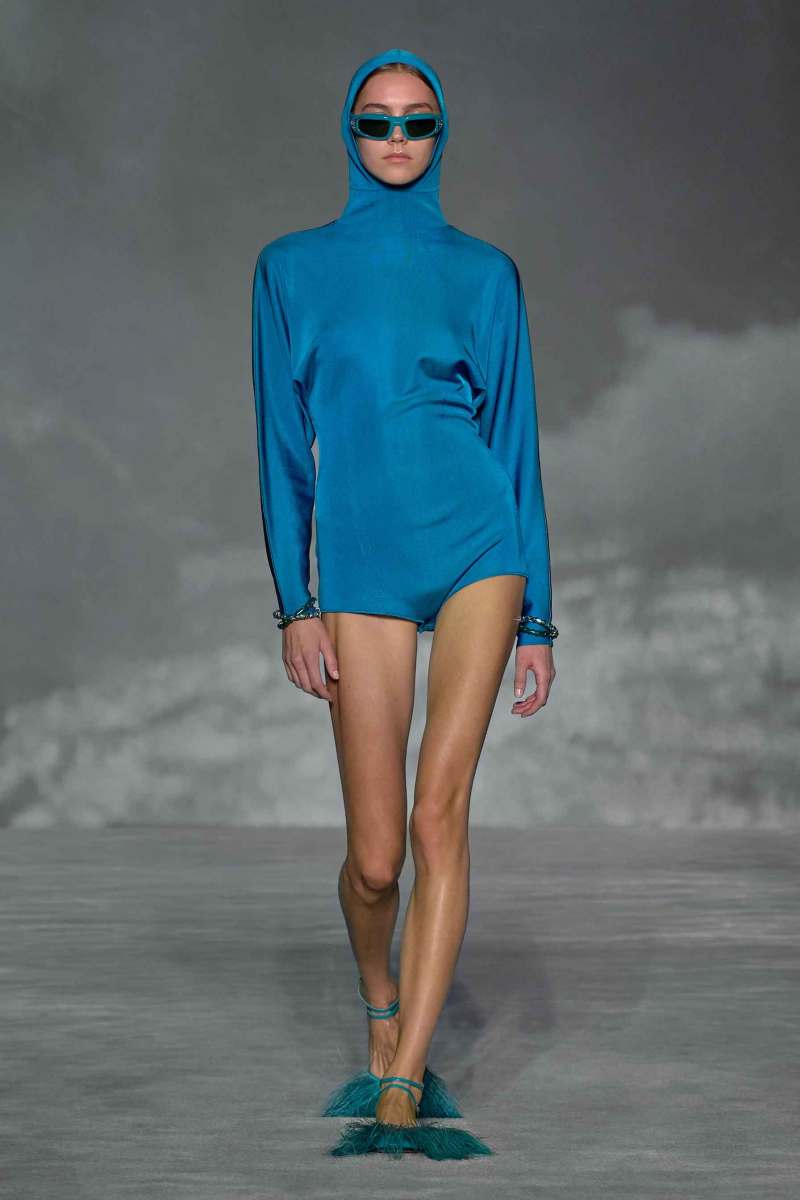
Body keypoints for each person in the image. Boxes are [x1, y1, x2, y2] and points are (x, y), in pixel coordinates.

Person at [251, 47, 558, 1160]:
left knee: (439, 818)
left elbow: (514, 444)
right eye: (376, 120)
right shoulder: (290, 268)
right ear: (348, 131)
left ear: (441, 135)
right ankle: (380, 1001)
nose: (395, 139)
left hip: (478, 544)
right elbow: (282, 446)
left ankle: (404, 1078)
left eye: (416, 121)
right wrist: (296, 604)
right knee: (376, 860)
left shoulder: (485, 273)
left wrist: (537, 618)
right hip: (364, 565)